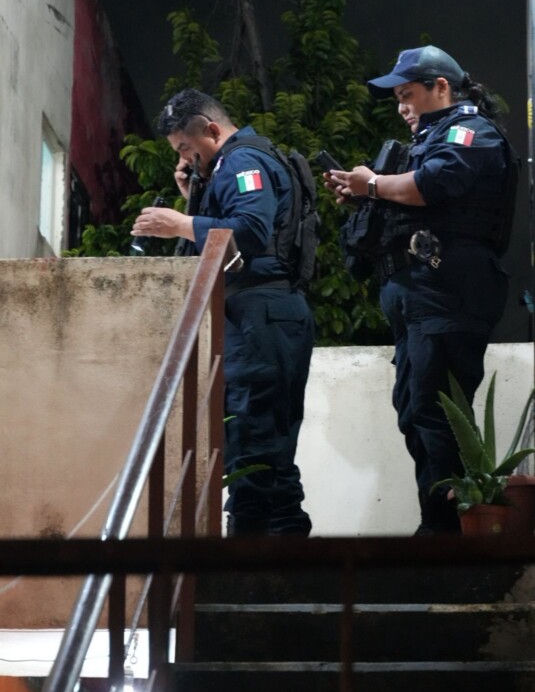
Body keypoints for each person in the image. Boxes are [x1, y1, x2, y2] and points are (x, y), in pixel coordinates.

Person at [324, 45, 515, 534]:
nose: (402, 106)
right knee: (415, 409)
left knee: (437, 412)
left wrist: (374, 186)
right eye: (398, 99)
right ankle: (439, 528)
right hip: (420, 293)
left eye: (408, 95)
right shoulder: (431, 137)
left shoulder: (471, 132)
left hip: (448, 292)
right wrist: (364, 193)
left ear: (441, 87)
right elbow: (410, 197)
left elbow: (431, 185)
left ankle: (450, 536)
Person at [131, 89, 314, 536]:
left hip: (258, 311)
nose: (186, 158)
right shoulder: (226, 168)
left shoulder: (242, 162)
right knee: (265, 437)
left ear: (212, 130)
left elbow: (249, 230)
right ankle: (281, 539)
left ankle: (251, 553)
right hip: (264, 313)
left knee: (251, 434)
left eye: (186, 149)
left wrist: (178, 223)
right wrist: (194, 195)